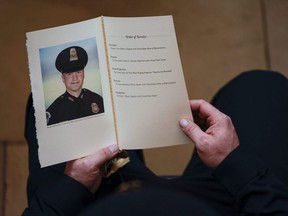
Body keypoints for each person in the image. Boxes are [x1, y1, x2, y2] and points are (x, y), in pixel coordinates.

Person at [22, 70, 288, 215]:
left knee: (44, 106)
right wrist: (234, 165)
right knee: (262, 88)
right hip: (222, 207)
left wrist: (73, 188)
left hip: (98, 201)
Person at [46, 46, 104, 126]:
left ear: (84, 74)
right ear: (63, 78)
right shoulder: (54, 110)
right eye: (69, 74)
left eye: (78, 72)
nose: (75, 78)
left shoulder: (98, 100)